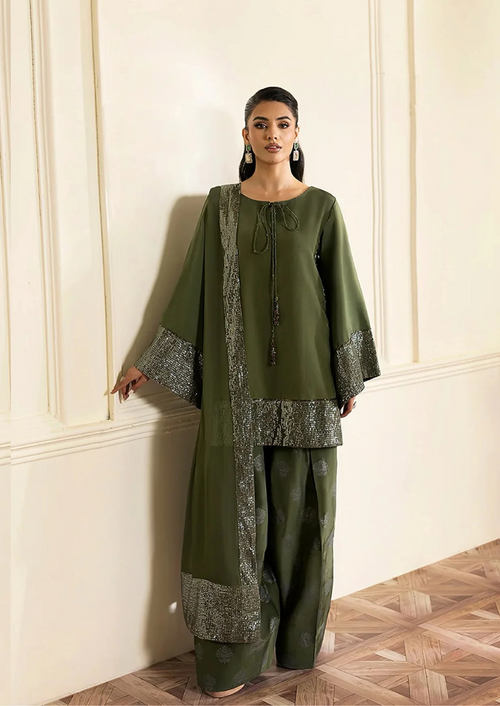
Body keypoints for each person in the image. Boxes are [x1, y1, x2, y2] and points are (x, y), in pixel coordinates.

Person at [111, 86, 381, 698]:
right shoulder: (221, 207)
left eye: (282, 124)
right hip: (237, 392)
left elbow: (341, 290)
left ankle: (296, 643)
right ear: (245, 135)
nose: (271, 134)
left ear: (296, 133)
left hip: (309, 387)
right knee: (234, 528)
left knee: (304, 519)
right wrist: (150, 362)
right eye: (260, 124)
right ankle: (234, 659)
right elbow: (192, 285)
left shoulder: (323, 207)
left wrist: (348, 375)